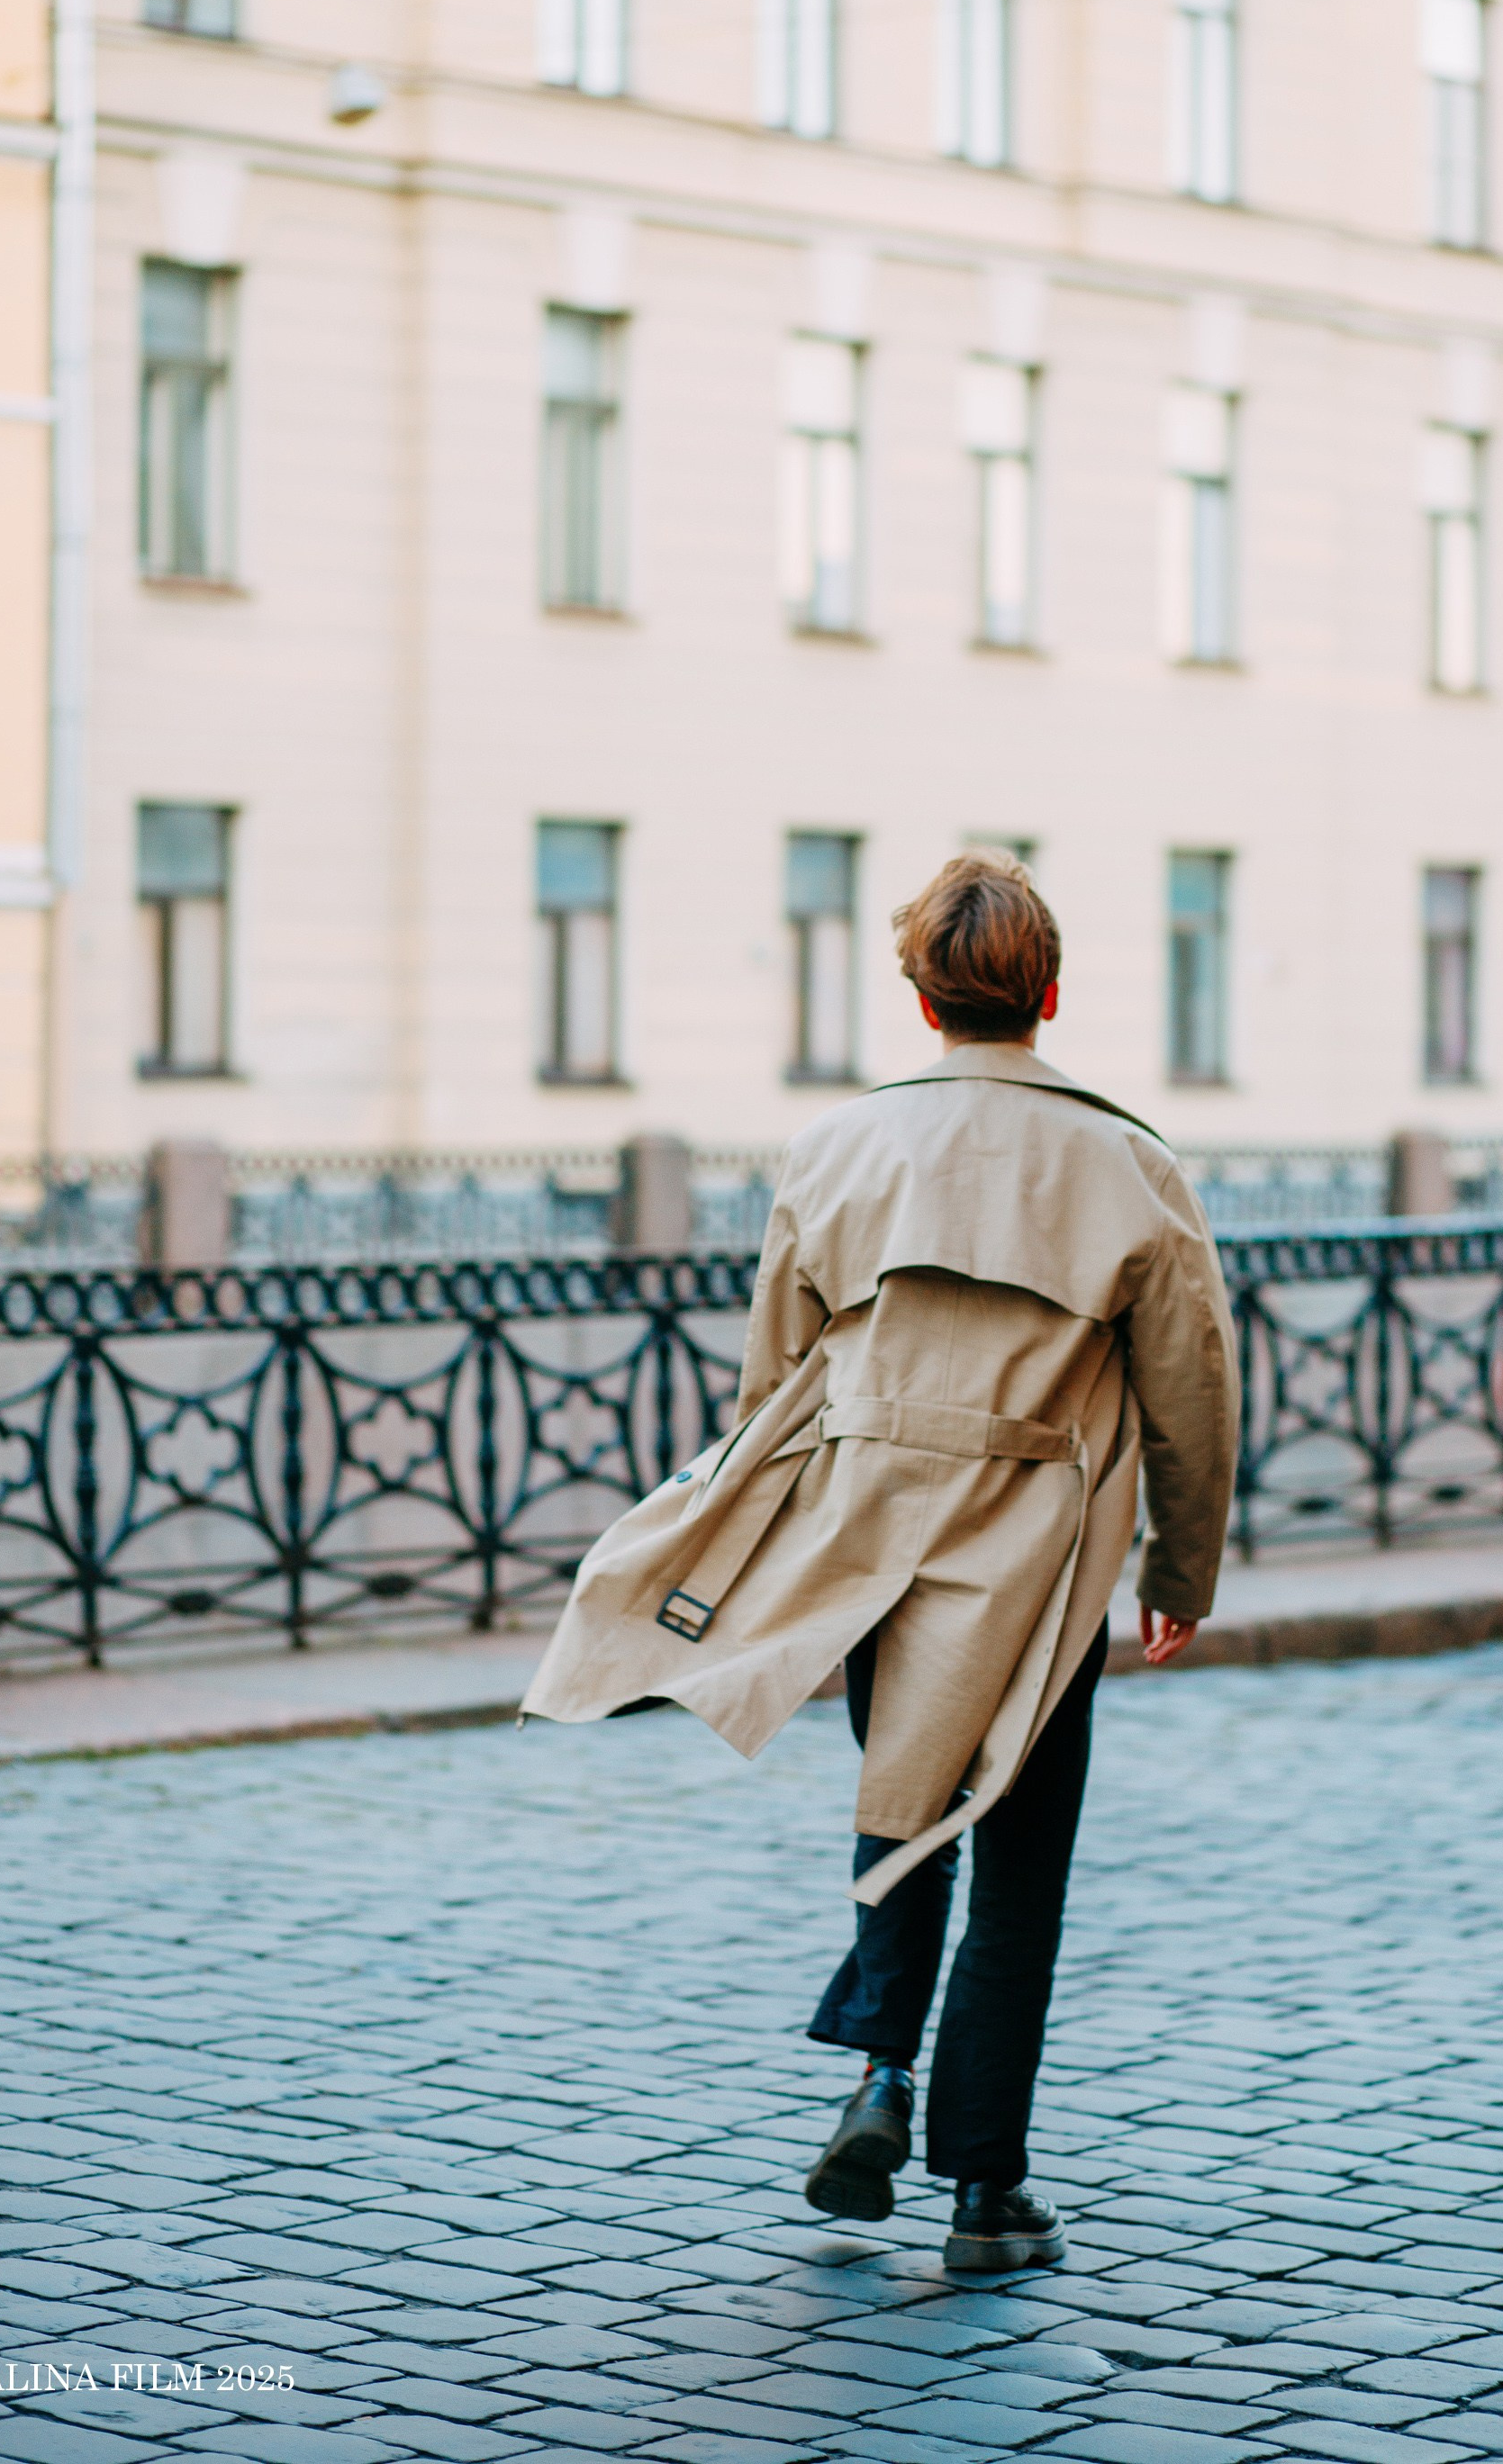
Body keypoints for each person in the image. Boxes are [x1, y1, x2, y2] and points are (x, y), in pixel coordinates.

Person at [522, 852, 1239, 2271]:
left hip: (874, 1538)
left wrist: (778, 1552)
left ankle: (881, 2076)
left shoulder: (836, 1148)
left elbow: (775, 1384)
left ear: (921, 1002)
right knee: (1020, 1863)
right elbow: (1192, 1391)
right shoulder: (1129, 1161)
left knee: (901, 1798)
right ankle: (985, 2192)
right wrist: (1180, 1575)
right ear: (1048, 995)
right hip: (1038, 1550)